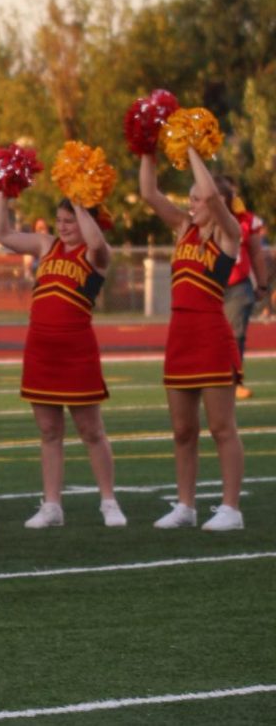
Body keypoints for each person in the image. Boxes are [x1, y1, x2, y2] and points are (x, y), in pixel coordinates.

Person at [0, 192, 125, 528]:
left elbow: (96, 241)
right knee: (49, 430)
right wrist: (1, 194)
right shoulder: (45, 245)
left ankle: (108, 501)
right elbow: (1, 234)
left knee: (91, 430)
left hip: (77, 350)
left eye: (71, 221)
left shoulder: (98, 254)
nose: (63, 227)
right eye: (60, 220)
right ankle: (52, 506)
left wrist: (81, 199)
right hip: (40, 349)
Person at [139, 150, 245, 530]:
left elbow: (214, 198)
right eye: (192, 199)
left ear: (215, 204)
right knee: (183, 430)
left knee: (221, 427)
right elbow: (149, 192)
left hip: (211, 337)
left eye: (199, 199)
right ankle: (186, 506)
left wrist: (192, 150)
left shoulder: (229, 236)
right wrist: (148, 149)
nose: (193, 203)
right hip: (179, 337)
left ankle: (231, 509)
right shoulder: (183, 229)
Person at [220, 185, 269, 400]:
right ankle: (210, 379)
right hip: (208, 287)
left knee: (235, 337)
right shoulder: (201, 218)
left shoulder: (246, 220)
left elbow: (257, 253)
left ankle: (234, 381)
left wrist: (262, 284)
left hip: (237, 285)